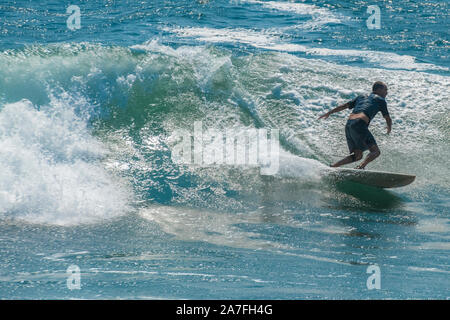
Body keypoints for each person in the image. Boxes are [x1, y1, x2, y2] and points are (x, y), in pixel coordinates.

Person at [318, 81, 392, 169]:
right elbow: (387, 117)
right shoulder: (380, 100)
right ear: (379, 90)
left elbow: (344, 106)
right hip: (360, 124)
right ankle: (361, 167)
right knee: (376, 152)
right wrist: (389, 128)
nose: (387, 92)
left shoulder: (361, 96)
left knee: (358, 155)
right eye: (385, 90)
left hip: (349, 125)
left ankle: (333, 167)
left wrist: (329, 112)